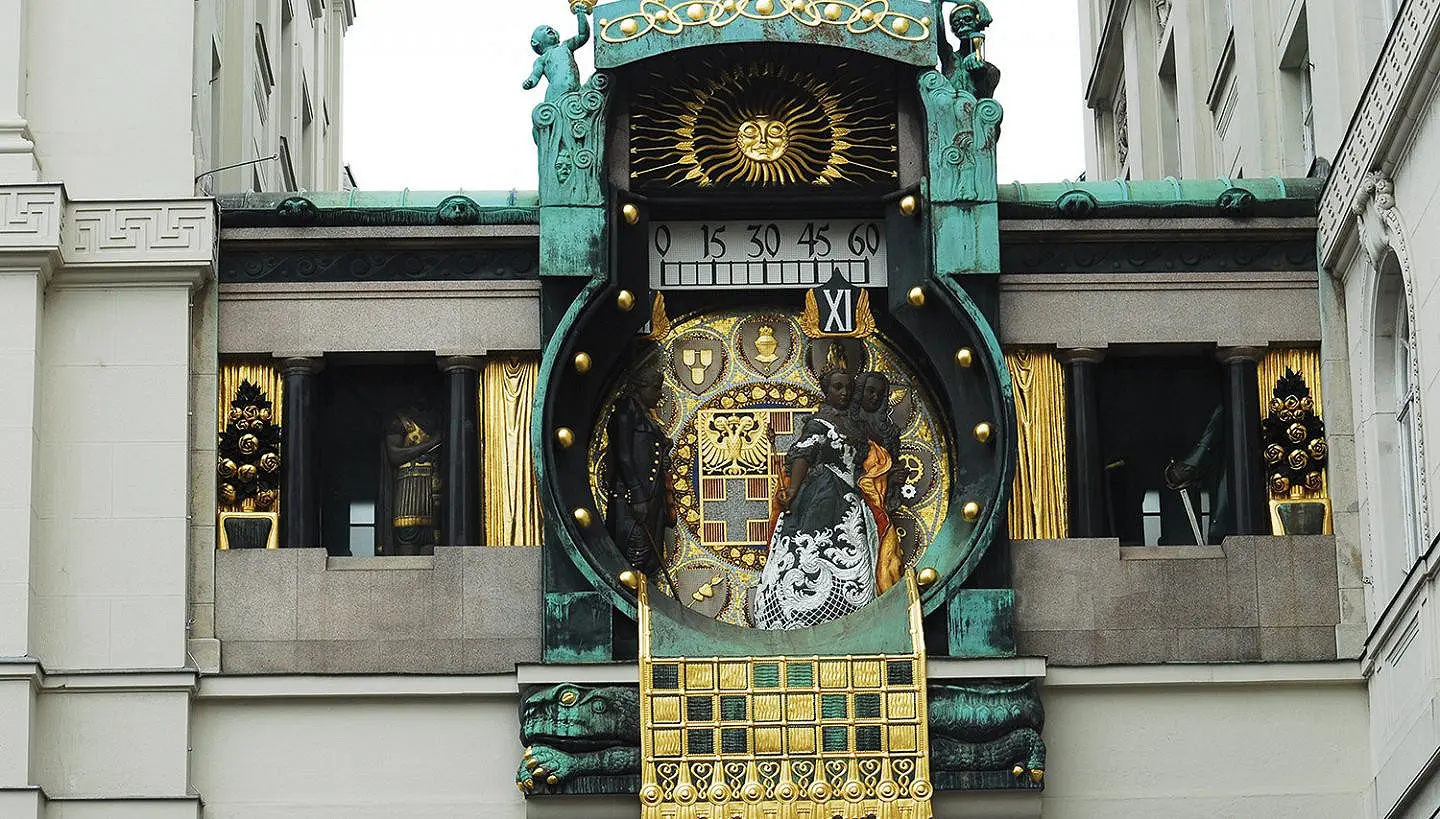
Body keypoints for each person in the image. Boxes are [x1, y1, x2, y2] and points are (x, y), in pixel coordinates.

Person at [752, 369, 880, 629]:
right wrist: (793, 489)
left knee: (851, 551)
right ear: (826, 390)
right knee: (810, 550)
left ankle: (848, 609)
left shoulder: (854, 424)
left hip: (851, 499)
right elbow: (803, 456)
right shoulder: (819, 423)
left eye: (848, 388)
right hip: (824, 494)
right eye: (837, 387)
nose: (844, 393)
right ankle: (802, 605)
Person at [607, 366, 670, 573]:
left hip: (650, 498)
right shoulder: (626, 412)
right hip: (633, 501)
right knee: (636, 551)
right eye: (656, 388)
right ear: (640, 388)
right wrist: (637, 494)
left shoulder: (644, 415)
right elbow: (624, 455)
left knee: (649, 557)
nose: (659, 394)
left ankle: (642, 589)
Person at [857, 372, 905, 593]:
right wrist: (885, 476)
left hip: (880, 501)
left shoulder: (889, 433)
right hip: (857, 503)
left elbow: (888, 465)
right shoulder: (850, 428)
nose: (875, 397)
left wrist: (894, 478)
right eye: (870, 391)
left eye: (880, 393)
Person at [385, 411, 443, 556]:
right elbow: (395, 455)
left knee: (431, 538)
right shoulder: (400, 422)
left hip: (433, 487)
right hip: (409, 488)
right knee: (408, 538)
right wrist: (431, 443)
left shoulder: (437, 419)